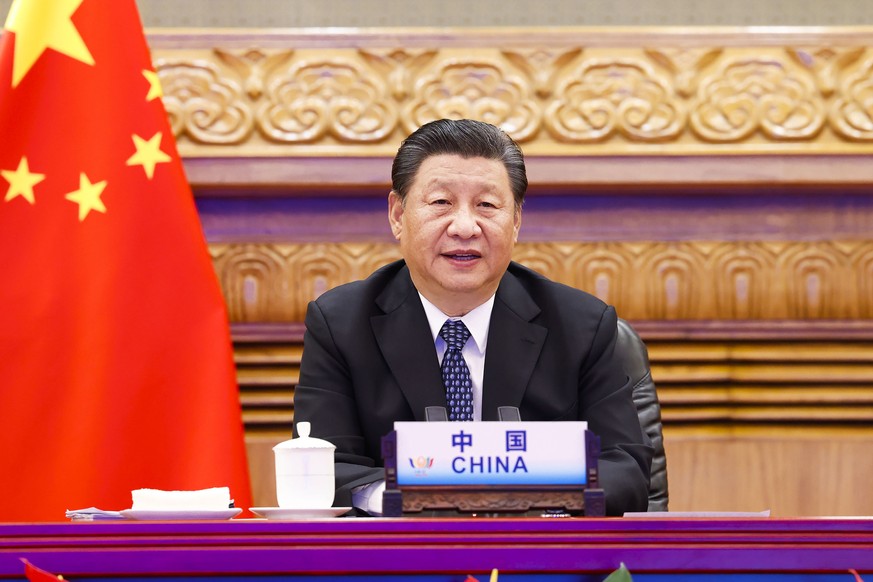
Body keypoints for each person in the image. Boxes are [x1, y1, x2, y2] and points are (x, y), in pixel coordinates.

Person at [293, 119, 653, 516]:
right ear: (398, 214)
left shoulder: (581, 325)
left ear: (515, 220)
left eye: (487, 205)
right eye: (441, 203)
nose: (464, 227)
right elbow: (324, 469)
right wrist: (416, 502)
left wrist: (515, 498)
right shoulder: (341, 324)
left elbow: (626, 473)